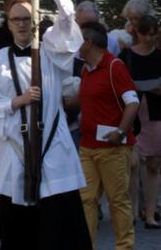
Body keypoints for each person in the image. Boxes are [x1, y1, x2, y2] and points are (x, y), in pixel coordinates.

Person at [0, 0, 90, 249]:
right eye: (16, 20)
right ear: (8, 23)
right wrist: (17, 102)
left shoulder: (51, 52)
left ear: (35, 20)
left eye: (27, 18)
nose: (23, 24)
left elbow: (67, 14)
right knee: (18, 228)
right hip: (15, 146)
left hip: (53, 146)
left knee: (59, 227)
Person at [76, 17, 138, 250]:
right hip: (88, 146)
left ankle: (124, 246)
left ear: (88, 42)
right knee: (86, 200)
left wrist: (120, 132)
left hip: (113, 148)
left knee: (117, 201)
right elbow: (82, 100)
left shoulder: (115, 66)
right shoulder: (85, 69)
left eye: (77, 40)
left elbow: (132, 103)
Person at [124, 15, 161, 228]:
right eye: (145, 33)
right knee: (132, 164)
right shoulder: (126, 56)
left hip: (155, 113)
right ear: (137, 33)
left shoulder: (159, 56)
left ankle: (149, 212)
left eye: (152, 33)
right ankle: (131, 213)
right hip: (132, 115)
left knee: (154, 165)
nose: (149, 38)